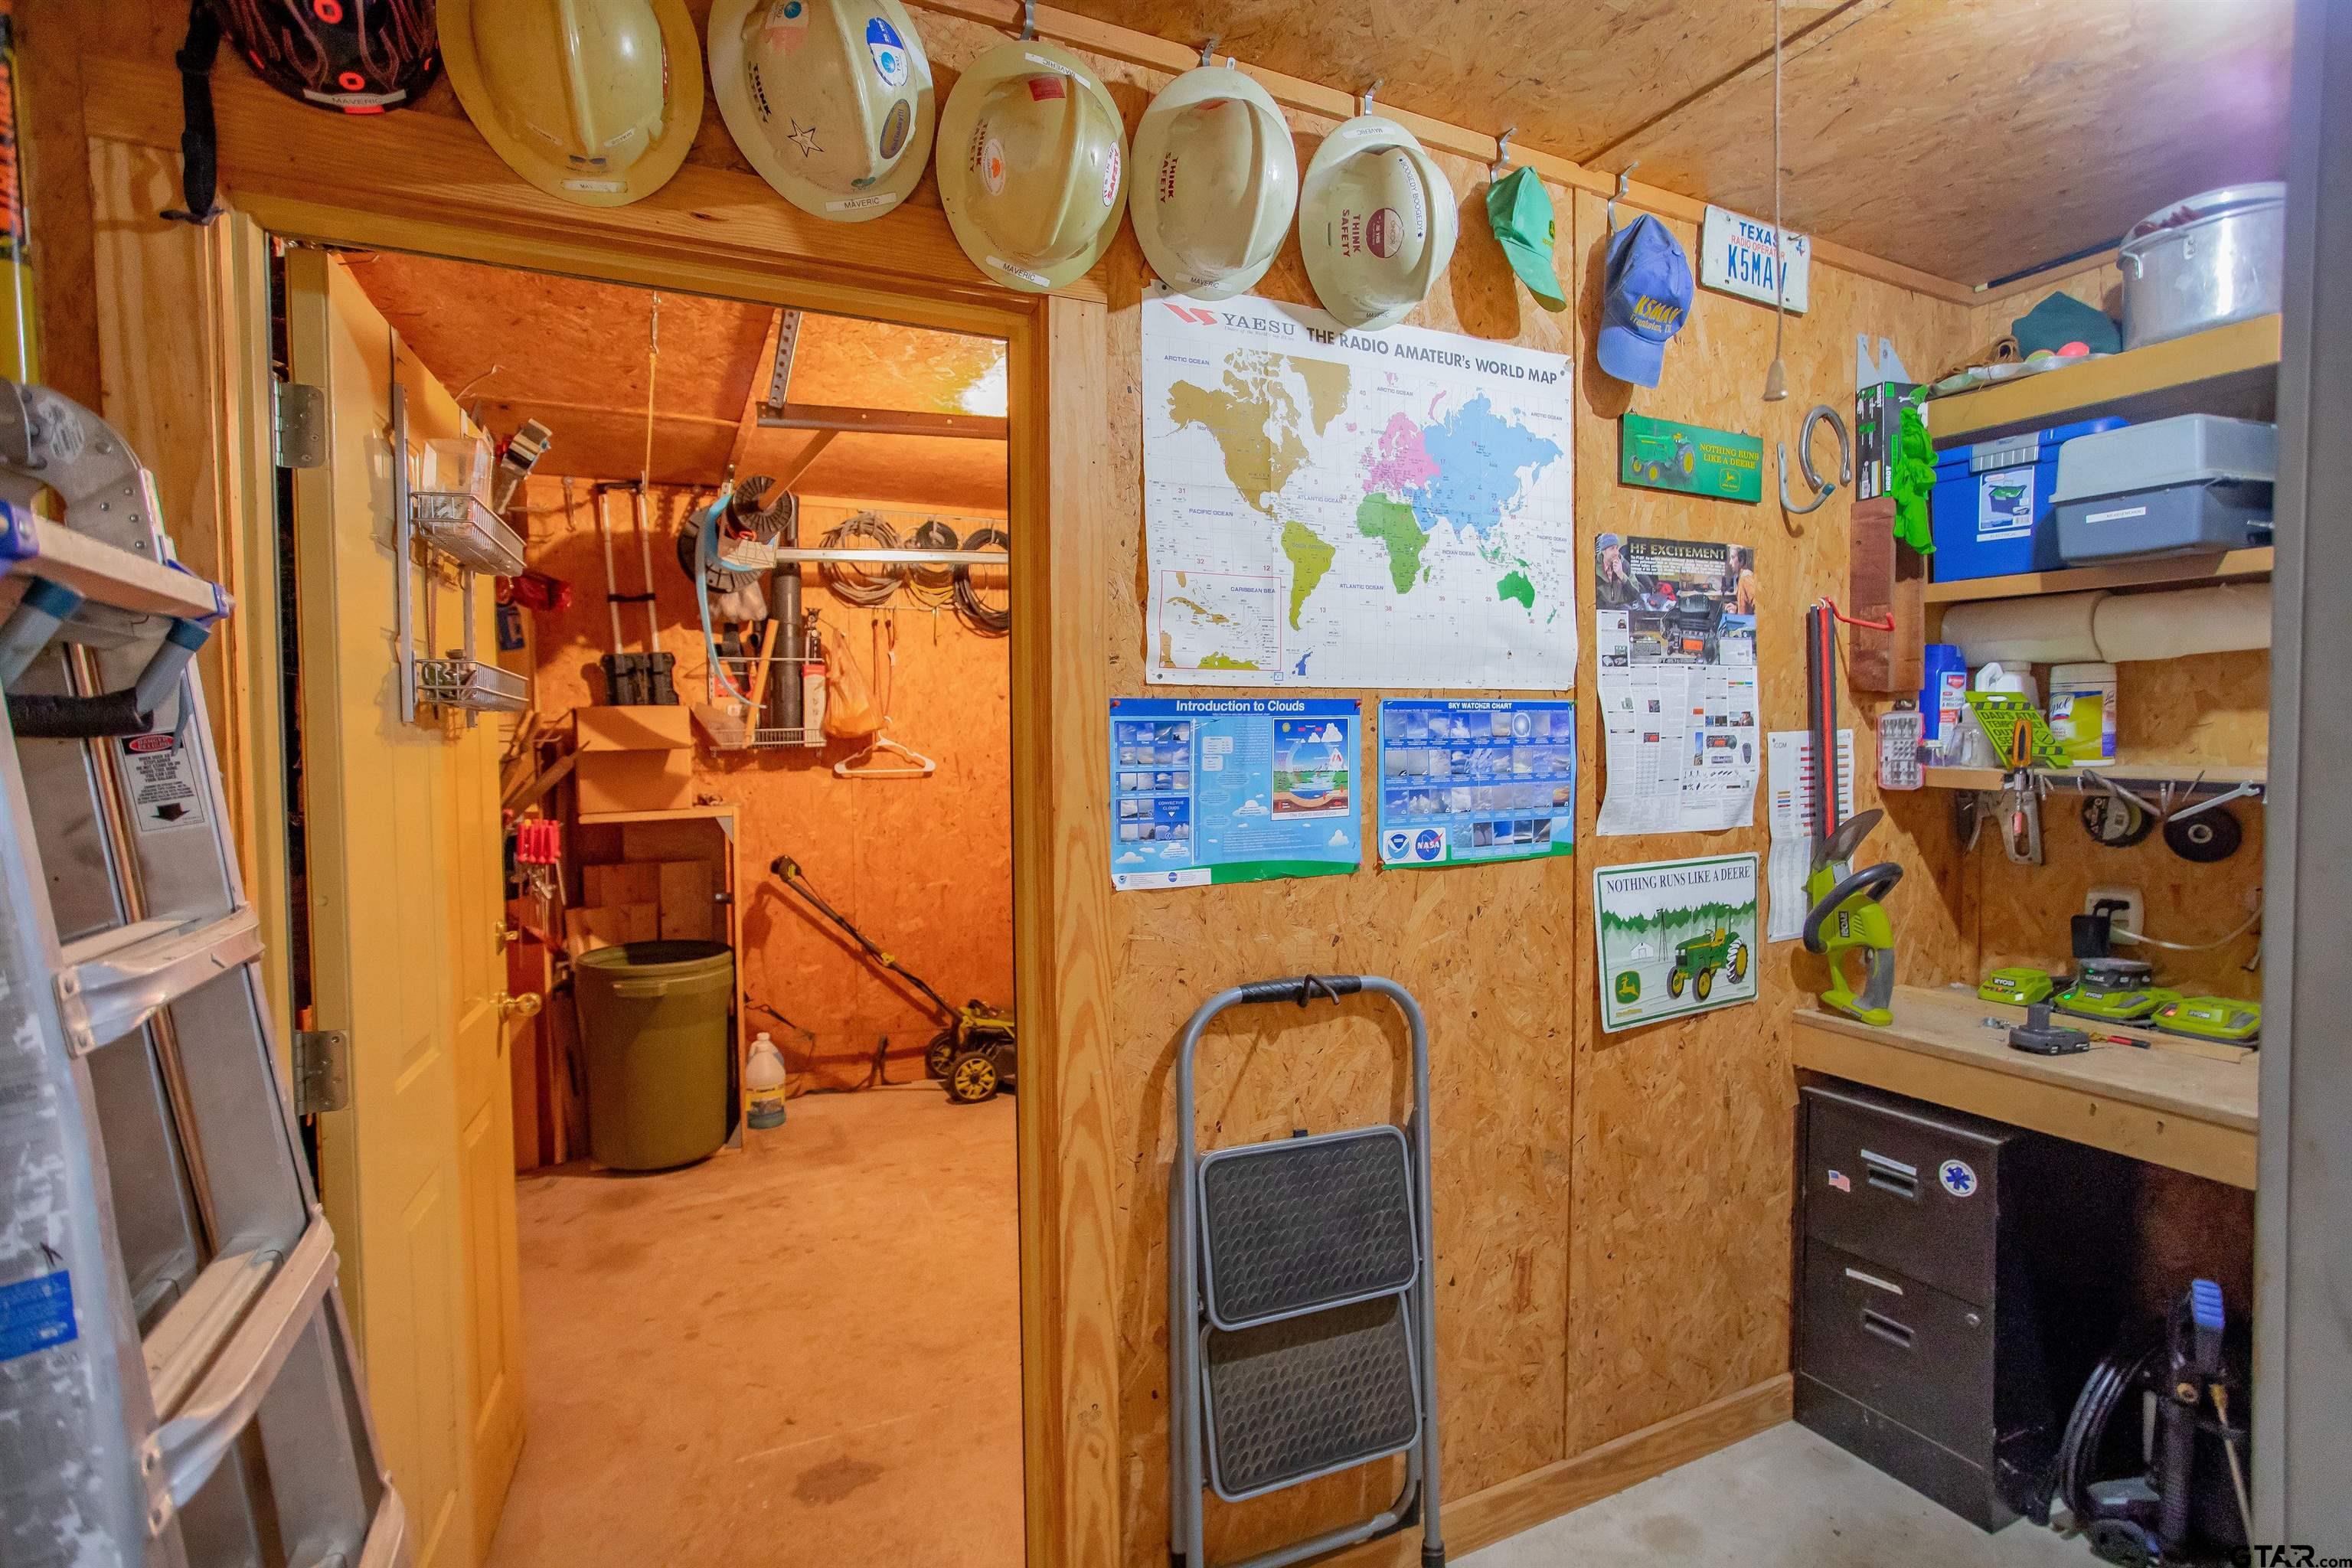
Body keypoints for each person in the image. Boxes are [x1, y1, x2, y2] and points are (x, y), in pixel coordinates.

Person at [1596, 532, 1642, 608]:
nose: (1616, 552)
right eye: (1612, 549)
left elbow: (1636, 595)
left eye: (1617, 548)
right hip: (1601, 612)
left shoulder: (1625, 565)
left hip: (1622, 612)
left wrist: (1621, 575)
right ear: (1603, 551)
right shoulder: (1593, 566)